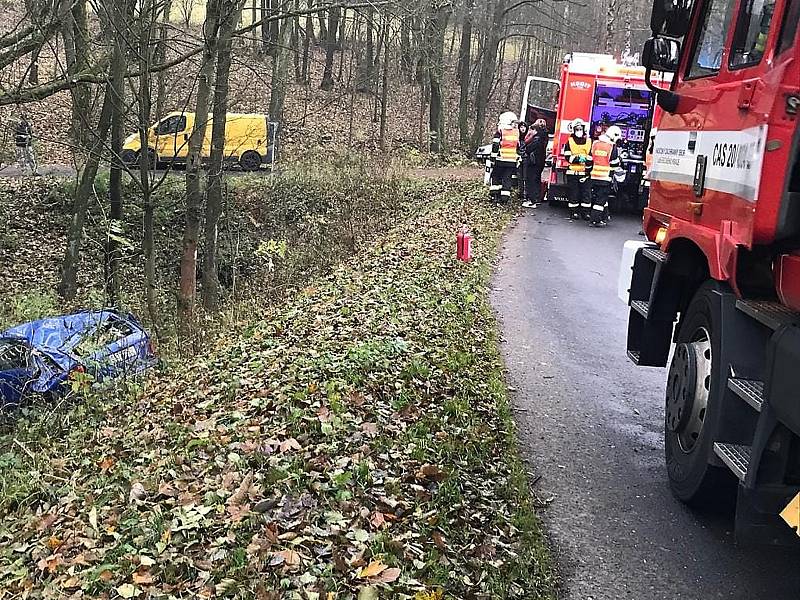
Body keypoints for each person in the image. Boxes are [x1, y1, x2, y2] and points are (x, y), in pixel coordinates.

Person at [589, 125, 622, 227]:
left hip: (594, 176)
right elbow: (614, 165)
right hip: (605, 178)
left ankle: (604, 216)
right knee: (601, 200)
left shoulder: (595, 143)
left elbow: (589, 160)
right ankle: (595, 220)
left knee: (600, 198)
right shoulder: (612, 147)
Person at [562, 118, 592, 220]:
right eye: (577, 129)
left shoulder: (589, 141)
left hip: (585, 173)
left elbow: (591, 157)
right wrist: (581, 158)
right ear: (574, 129)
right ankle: (573, 212)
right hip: (572, 173)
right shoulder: (569, 142)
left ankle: (586, 213)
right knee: (573, 194)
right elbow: (568, 157)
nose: (579, 131)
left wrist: (584, 160)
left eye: (580, 129)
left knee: (586, 194)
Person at [488, 111, 520, 203]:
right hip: (512, 161)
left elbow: (495, 146)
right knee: (507, 178)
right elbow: (518, 147)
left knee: (495, 176)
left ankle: (495, 195)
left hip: (500, 159)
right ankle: (505, 198)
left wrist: (492, 159)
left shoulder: (500, 132)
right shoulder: (516, 133)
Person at [521, 118, 548, 208]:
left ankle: (532, 200)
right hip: (539, 161)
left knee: (531, 180)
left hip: (533, 162)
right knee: (536, 180)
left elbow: (529, 148)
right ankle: (537, 198)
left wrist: (526, 149)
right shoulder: (544, 136)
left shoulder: (537, 138)